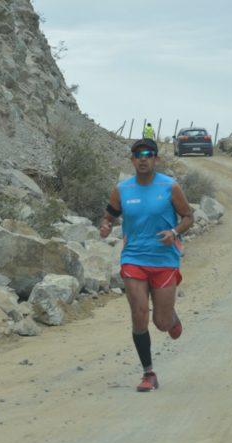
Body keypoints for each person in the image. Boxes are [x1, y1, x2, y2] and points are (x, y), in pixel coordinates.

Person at [99, 138, 194, 392]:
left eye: (148, 154)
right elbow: (109, 216)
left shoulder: (169, 186)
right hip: (134, 258)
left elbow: (188, 216)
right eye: (138, 154)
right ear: (132, 160)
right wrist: (106, 225)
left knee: (161, 324)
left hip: (164, 259)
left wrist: (174, 232)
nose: (143, 158)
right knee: (139, 314)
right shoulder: (122, 190)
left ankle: (170, 317)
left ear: (156, 159)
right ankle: (148, 373)